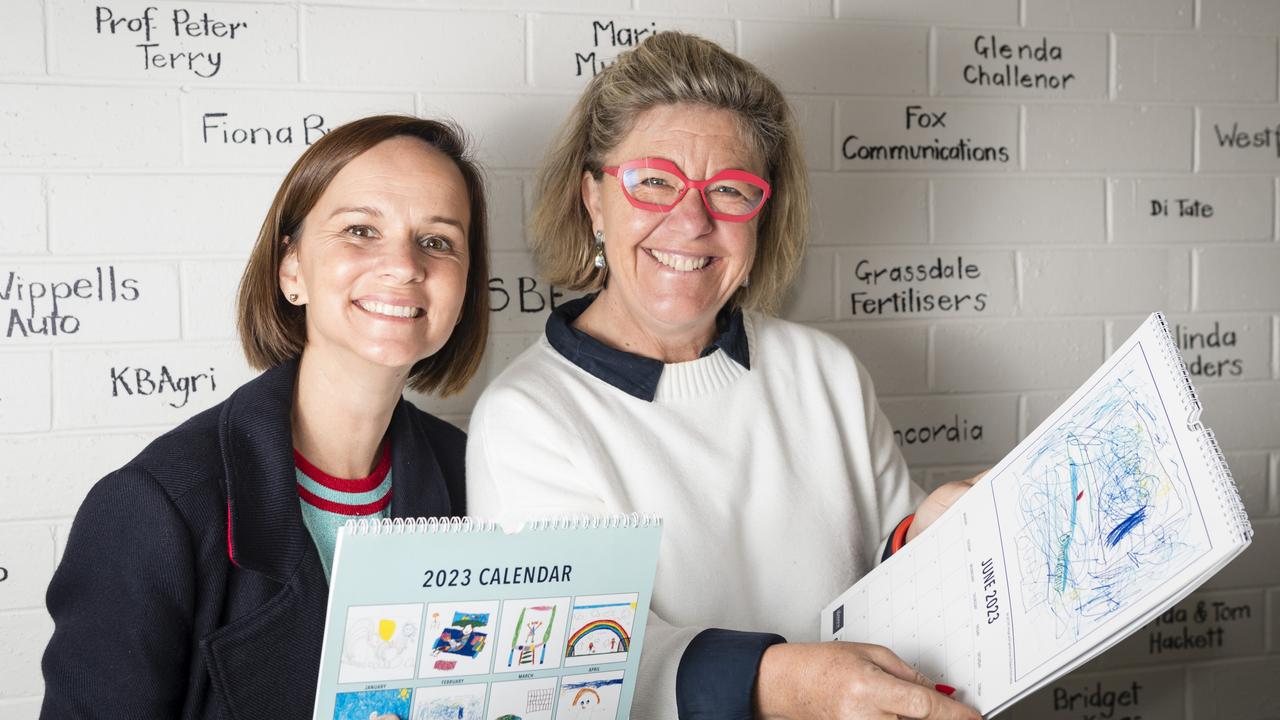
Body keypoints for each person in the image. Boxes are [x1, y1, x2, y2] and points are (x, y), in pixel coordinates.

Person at [466, 33, 982, 720]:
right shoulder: (527, 418)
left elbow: (896, 589)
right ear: (594, 199)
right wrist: (786, 684)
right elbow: (573, 675)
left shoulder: (823, 371)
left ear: (763, 215)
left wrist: (925, 539)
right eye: (653, 181)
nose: (691, 220)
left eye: (731, 190)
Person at [40, 115, 490, 719]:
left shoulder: (477, 475)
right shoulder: (153, 509)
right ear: (292, 270)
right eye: (360, 230)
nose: (405, 265)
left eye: (437, 241)